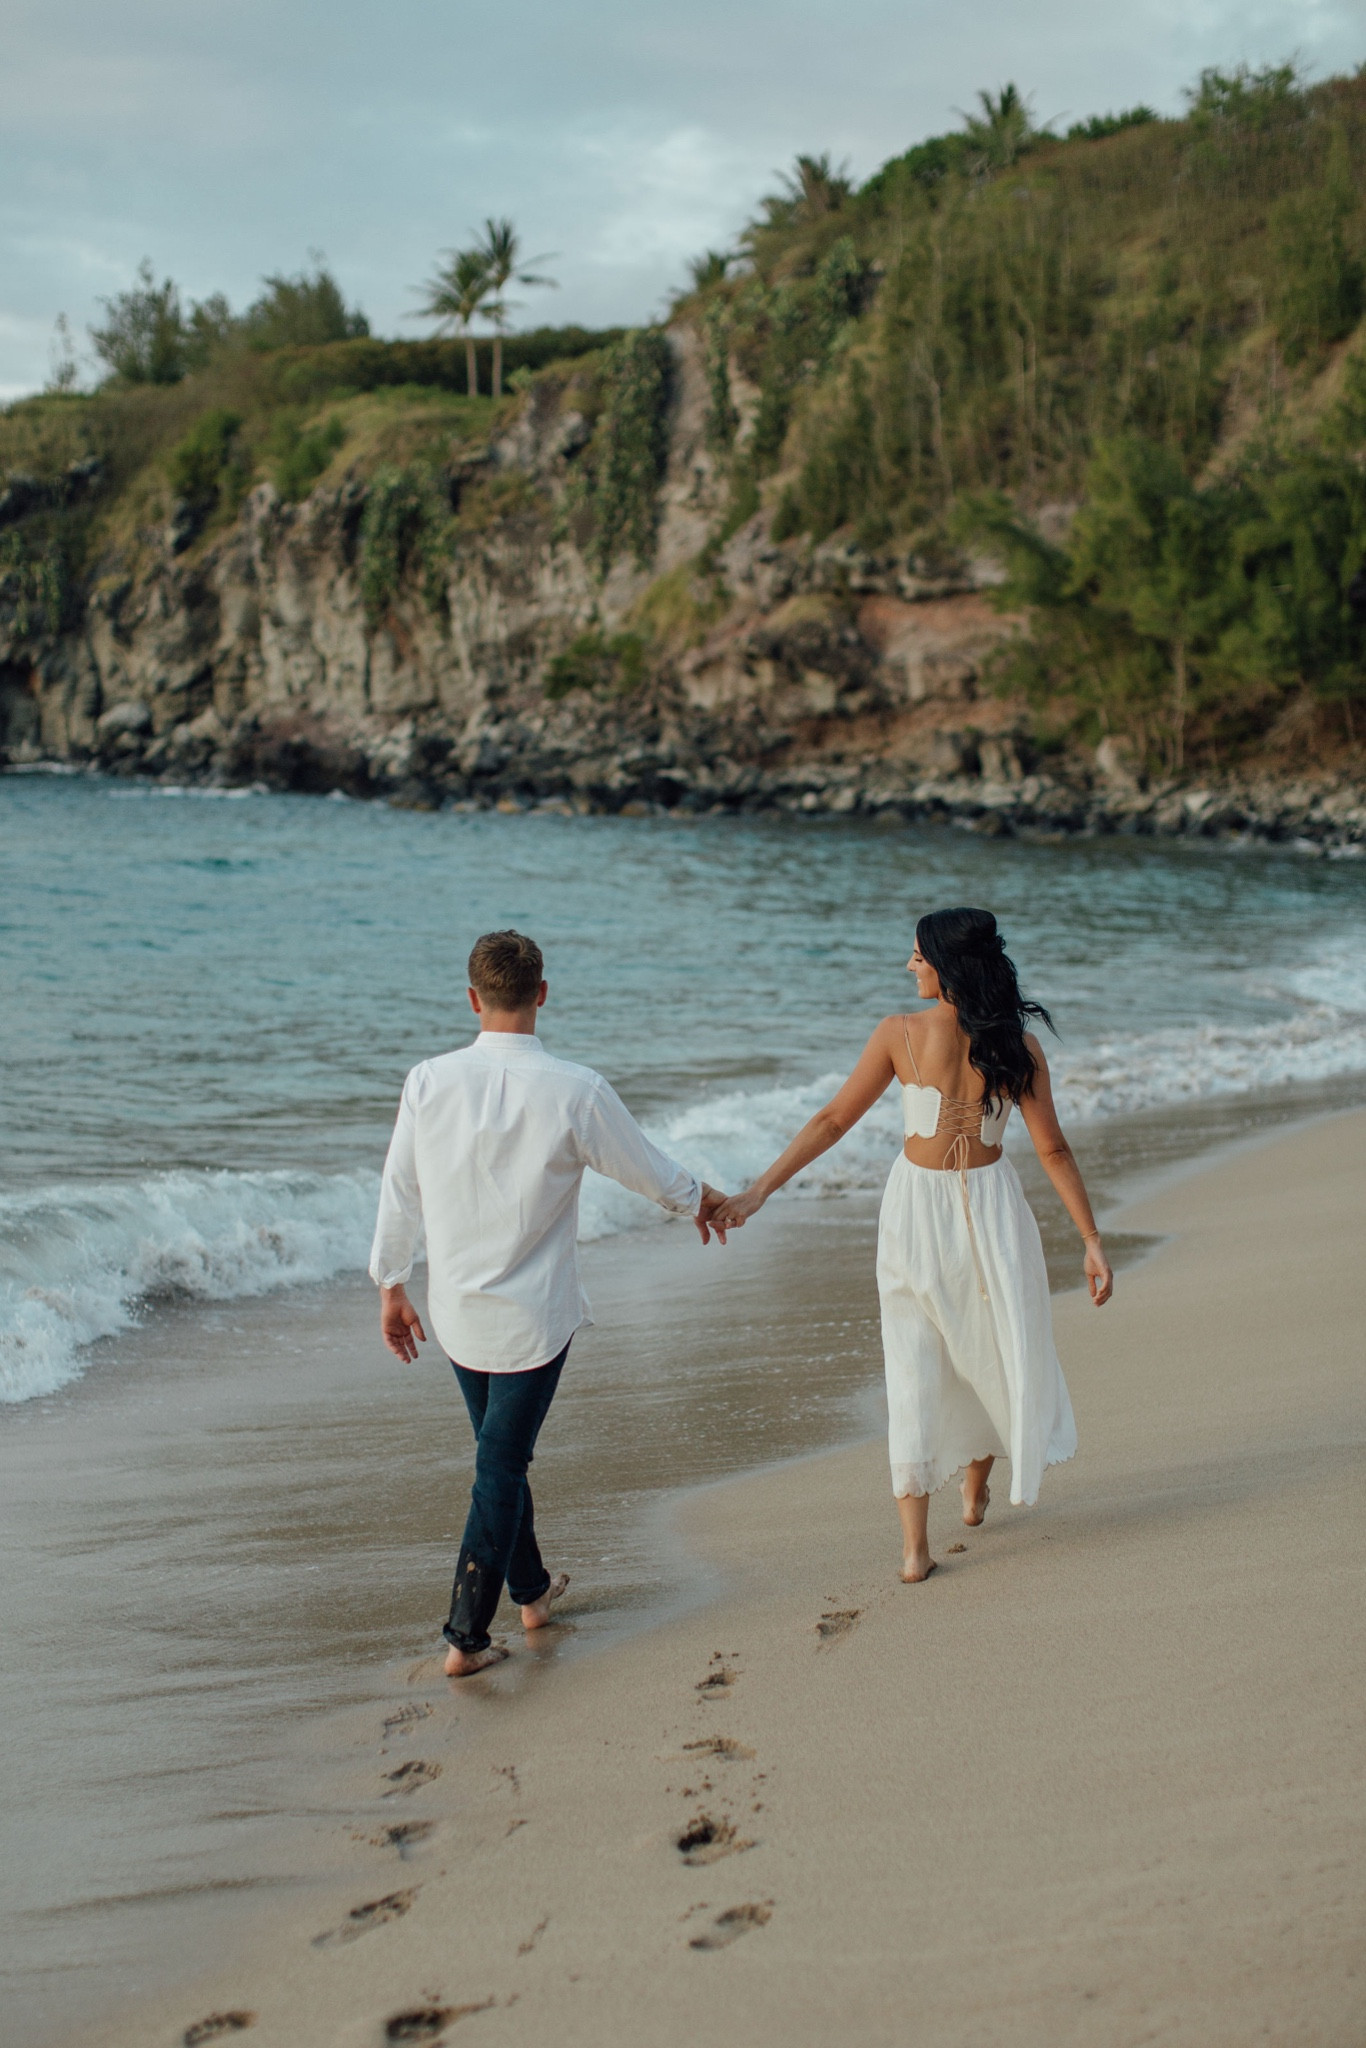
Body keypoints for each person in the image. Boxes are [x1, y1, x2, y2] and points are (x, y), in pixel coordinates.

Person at [710, 907, 1113, 1584]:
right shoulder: (1019, 1046)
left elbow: (833, 1119)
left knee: (915, 1362)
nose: (909, 966)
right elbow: (1052, 1148)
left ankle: (913, 1550)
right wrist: (1092, 1241)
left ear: (947, 965)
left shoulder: (899, 1033)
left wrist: (759, 1192)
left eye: (918, 956)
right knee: (992, 1343)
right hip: (992, 1207)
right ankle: (977, 1483)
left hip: (917, 1211)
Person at [370, 929, 728, 1676]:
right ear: (542, 993)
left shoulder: (428, 1081)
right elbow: (648, 1170)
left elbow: (398, 1189)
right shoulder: (576, 1089)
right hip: (537, 1315)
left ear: (472, 999)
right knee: (499, 1464)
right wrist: (702, 1201)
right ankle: (465, 1638)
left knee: (499, 1456)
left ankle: (530, 1594)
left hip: (458, 1307)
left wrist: (393, 1285)